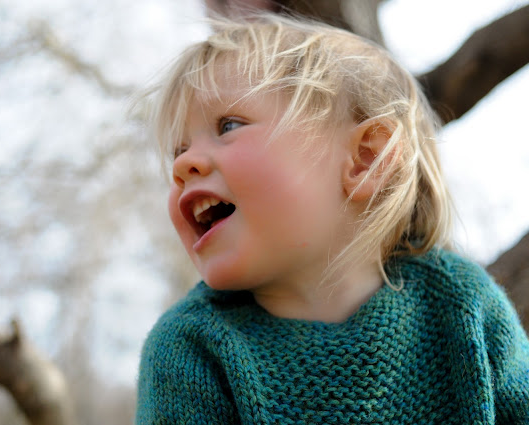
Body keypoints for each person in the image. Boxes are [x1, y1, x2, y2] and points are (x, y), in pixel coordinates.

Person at [136, 14, 529, 424]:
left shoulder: (462, 305)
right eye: (178, 150)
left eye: (228, 125)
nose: (183, 165)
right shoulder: (190, 348)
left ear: (365, 159)